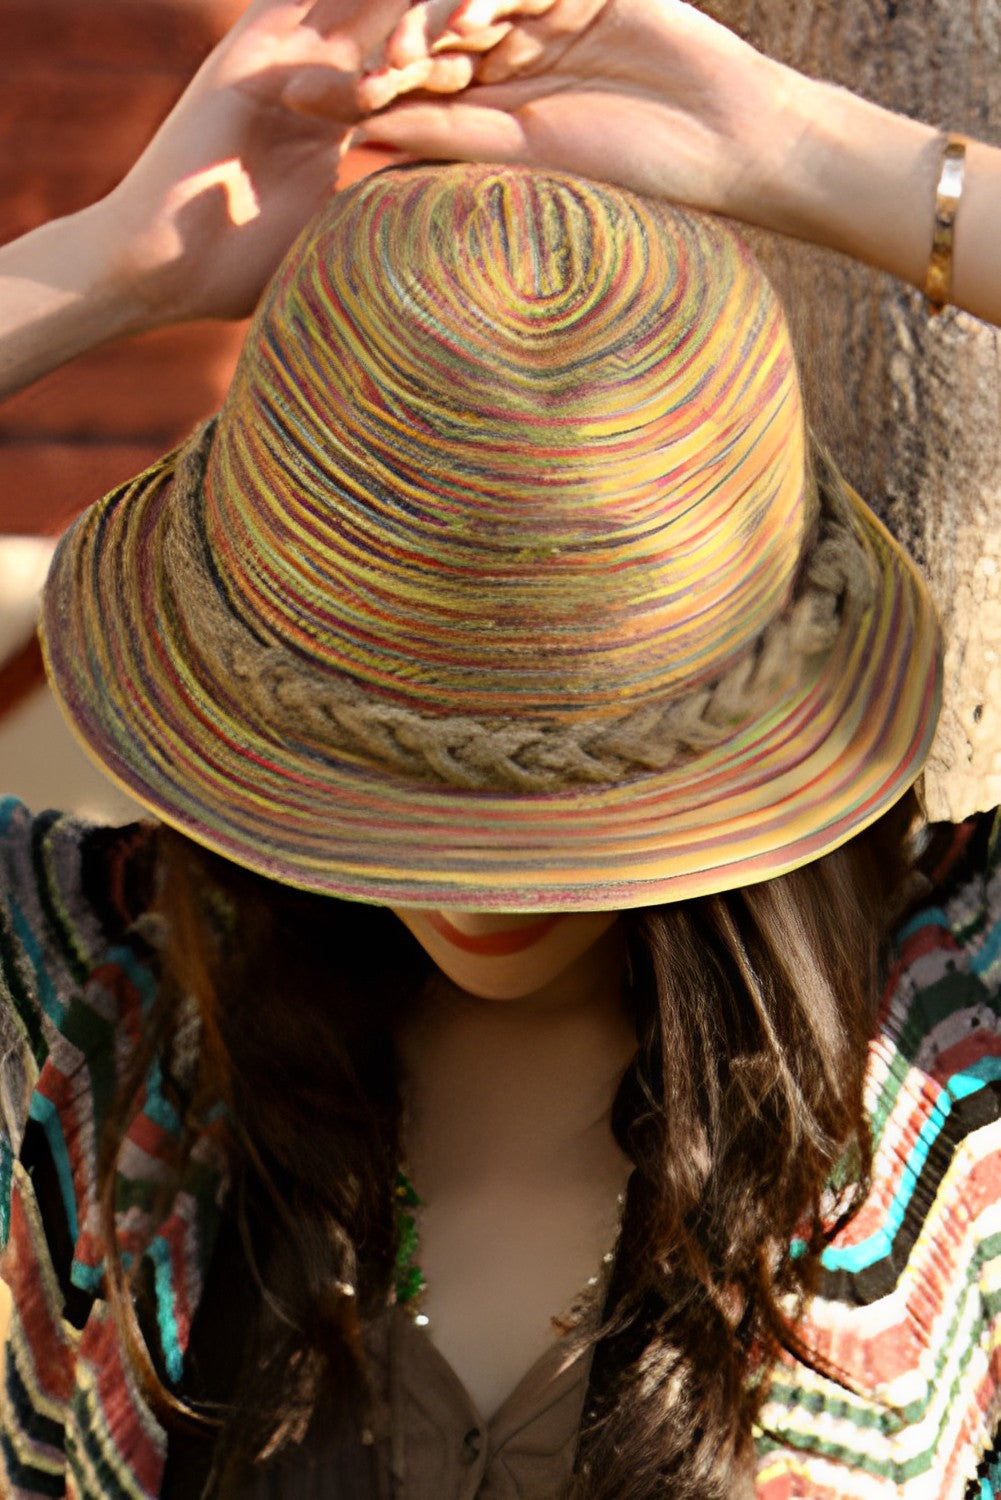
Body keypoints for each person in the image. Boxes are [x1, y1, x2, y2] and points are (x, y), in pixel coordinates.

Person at [0, 3, 999, 1499]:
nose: (479, 871)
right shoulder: (98, 1004)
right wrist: (108, 265)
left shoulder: (947, 1025)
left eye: (563, 766)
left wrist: (823, 162)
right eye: (412, 780)